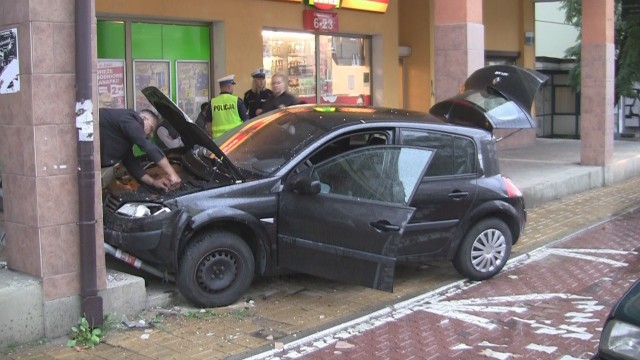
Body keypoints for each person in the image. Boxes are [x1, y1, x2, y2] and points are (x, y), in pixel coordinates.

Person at [99, 108, 181, 192]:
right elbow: (147, 145)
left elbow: (132, 165)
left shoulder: (127, 134)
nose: (151, 135)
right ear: (144, 119)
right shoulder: (129, 119)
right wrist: (173, 174)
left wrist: (153, 182)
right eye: (151, 129)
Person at [204, 74, 247, 138]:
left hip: (218, 141)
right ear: (229, 87)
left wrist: (212, 135)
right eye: (232, 85)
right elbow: (245, 120)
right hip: (235, 138)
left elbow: (208, 123)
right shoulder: (237, 101)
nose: (233, 87)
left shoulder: (212, 103)